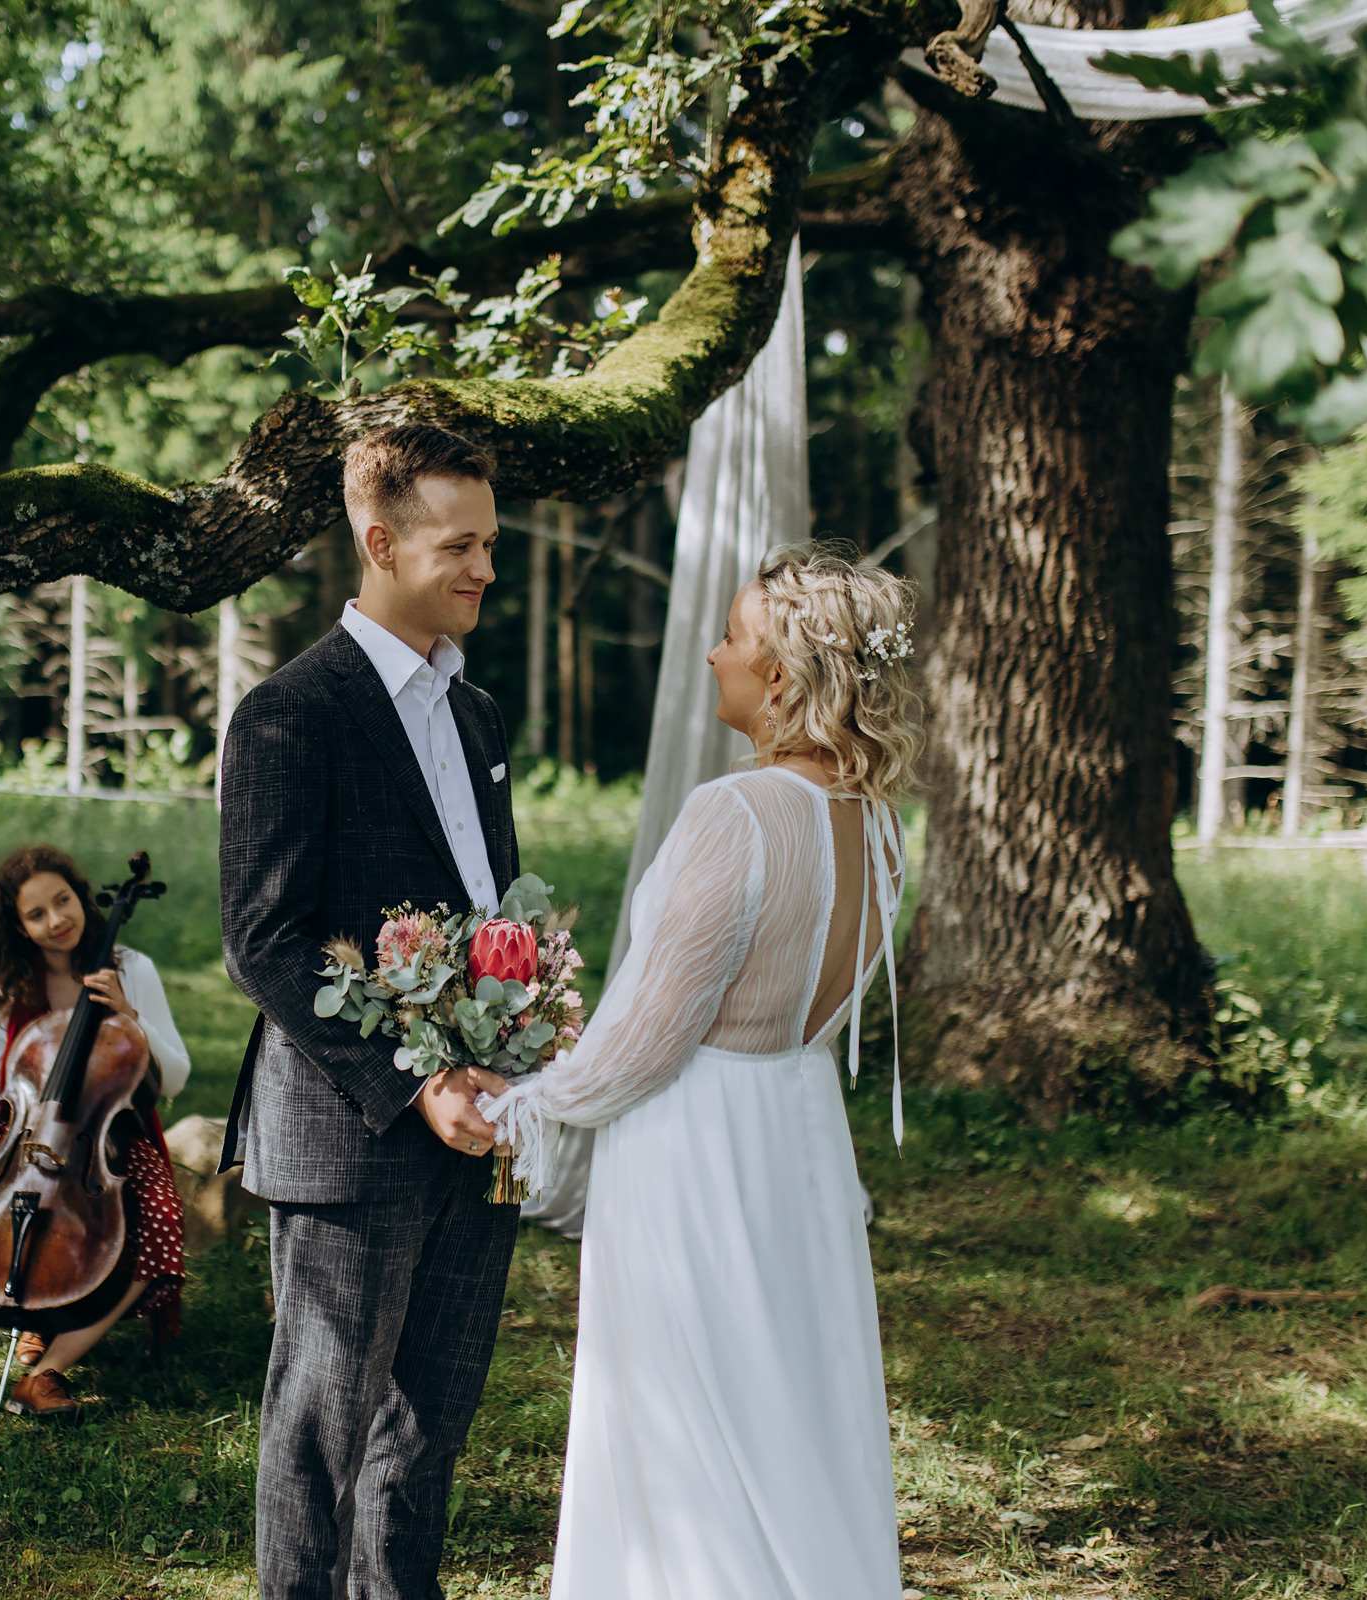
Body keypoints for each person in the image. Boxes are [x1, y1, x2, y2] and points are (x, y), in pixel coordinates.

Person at [480, 543, 921, 1599]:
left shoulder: (738, 813)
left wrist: (528, 1102)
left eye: (731, 637)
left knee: (687, 1410)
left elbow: (651, 1035)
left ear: (779, 674)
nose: (715, 654)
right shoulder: (876, 824)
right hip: (800, 1132)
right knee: (791, 1403)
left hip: (698, 1143)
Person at [219, 422, 522, 1600]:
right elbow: (264, 940)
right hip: (351, 1134)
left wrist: (512, 1045)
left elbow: (489, 905)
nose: (484, 568)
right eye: (460, 546)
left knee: (428, 1434)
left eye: (489, 542)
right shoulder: (291, 714)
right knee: (322, 1435)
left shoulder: (477, 715)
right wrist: (416, 1078)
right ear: (380, 541)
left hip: (480, 1132)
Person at [0, 844, 192, 1424]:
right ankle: (39, 1313)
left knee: (160, 1220)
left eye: (63, 901)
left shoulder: (131, 969)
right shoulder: (6, 986)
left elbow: (176, 1079)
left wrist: (130, 1016)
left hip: (107, 1141)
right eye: (36, 914)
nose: (56, 920)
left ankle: (46, 1372)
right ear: (18, 926)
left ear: (82, 897)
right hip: (25, 1141)